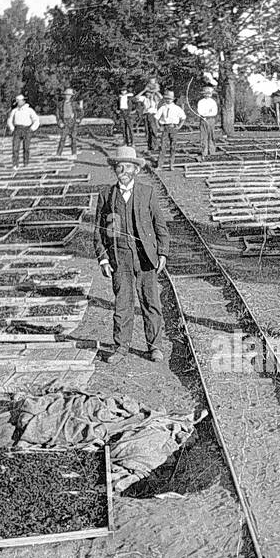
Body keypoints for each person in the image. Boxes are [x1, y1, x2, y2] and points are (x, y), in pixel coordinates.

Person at [93, 145, 170, 363]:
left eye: (128, 167)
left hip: (145, 257)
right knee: (122, 304)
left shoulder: (147, 192)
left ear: (136, 170)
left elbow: (160, 225)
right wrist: (103, 258)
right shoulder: (107, 195)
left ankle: (154, 347)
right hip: (120, 258)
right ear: (115, 170)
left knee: (150, 301)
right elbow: (99, 231)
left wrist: (162, 252)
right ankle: (121, 348)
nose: (123, 171)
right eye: (119, 167)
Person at [154, 90, 186, 170]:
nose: (168, 100)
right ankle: (159, 165)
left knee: (173, 146)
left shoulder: (177, 108)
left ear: (173, 100)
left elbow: (183, 118)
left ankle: (171, 165)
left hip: (173, 128)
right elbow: (156, 118)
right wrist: (158, 127)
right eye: (167, 99)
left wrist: (179, 126)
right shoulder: (163, 107)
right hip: (165, 127)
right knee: (163, 146)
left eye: (170, 99)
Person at [6, 94, 40, 167]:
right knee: (15, 148)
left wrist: (32, 128)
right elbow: (9, 120)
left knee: (26, 148)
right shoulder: (14, 110)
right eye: (17, 101)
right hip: (17, 129)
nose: (18, 102)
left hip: (27, 129)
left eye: (19, 101)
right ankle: (15, 164)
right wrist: (12, 129)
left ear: (23, 101)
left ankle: (26, 163)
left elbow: (36, 120)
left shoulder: (29, 110)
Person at [57, 88, 82, 159]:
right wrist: (60, 122)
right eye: (66, 95)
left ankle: (74, 153)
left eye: (69, 95)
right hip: (65, 122)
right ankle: (59, 154)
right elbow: (58, 115)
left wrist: (78, 119)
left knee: (73, 138)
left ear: (71, 96)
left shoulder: (74, 104)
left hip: (72, 122)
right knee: (63, 138)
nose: (67, 96)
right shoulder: (60, 104)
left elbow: (81, 111)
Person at [195, 85, 219, 159]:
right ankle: (204, 152)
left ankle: (212, 151)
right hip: (203, 119)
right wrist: (204, 114)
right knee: (203, 136)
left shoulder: (213, 102)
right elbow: (200, 111)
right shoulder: (201, 102)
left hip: (211, 119)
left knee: (211, 135)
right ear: (203, 94)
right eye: (206, 93)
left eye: (209, 93)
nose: (208, 95)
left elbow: (214, 112)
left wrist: (207, 113)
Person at [139, 78, 162, 152]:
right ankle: (150, 146)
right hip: (146, 115)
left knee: (154, 130)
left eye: (149, 93)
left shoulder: (155, 99)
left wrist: (155, 91)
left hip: (153, 115)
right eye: (147, 93)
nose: (148, 94)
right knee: (148, 131)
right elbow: (136, 97)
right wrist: (144, 90)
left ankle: (155, 146)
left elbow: (161, 97)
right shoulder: (144, 99)